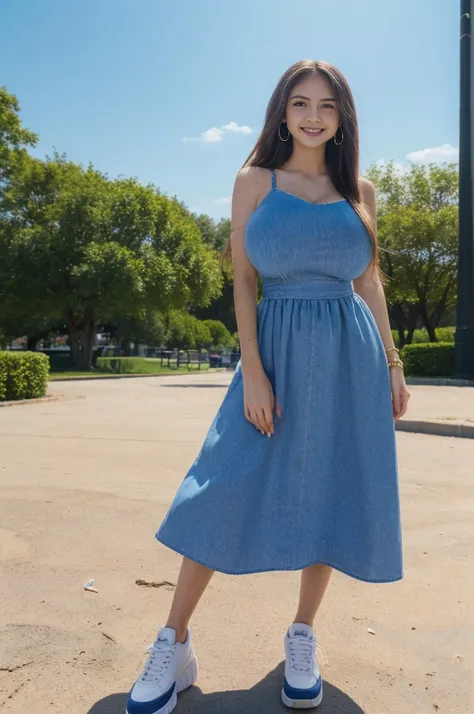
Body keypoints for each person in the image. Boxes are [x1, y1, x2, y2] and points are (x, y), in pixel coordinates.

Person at [126, 59, 410, 714]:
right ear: (282, 112)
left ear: (343, 119)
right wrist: (252, 367)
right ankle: (174, 641)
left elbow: (368, 284)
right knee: (219, 486)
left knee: (332, 490)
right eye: (301, 103)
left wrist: (392, 362)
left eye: (327, 106)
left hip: (348, 354)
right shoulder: (254, 180)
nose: (313, 116)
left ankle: (303, 635)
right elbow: (244, 281)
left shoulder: (359, 190)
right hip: (274, 350)